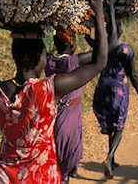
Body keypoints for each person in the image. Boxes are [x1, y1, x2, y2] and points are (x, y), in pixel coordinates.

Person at [0, 0, 108, 184]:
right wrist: (99, 14)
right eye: (45, 55)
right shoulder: (49, 89)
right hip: (40, 175)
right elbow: (100, 62)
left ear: (15, 56)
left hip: (5, 175)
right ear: (38, 58)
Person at [93, 0, 138, 179]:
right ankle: (109, 158)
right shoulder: (125, 49)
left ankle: (113, 159)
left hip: (102, 87)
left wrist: (95, 17)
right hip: (118, 89)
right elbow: (134, 75)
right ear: (119, 31)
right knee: (120, 125)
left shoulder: (99, 46)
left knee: (110, 122)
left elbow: (91, 37)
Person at [45, 31, 93, 184]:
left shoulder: (49, 60)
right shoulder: (72, 62)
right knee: (65, 161)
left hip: (53, 116)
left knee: (56, 158)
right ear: (72, 44)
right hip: (69, 119)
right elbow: (101, 54)